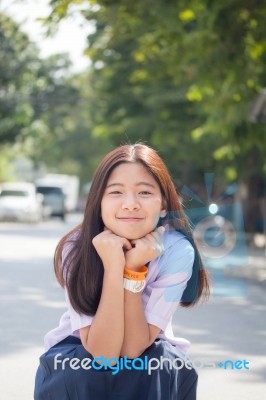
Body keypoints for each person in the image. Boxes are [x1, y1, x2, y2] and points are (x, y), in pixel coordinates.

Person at [34, 143, 210, 400]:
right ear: (99, 202)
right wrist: (113, 267)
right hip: (82, 354)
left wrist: (133, 269)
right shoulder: (76, 246)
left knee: (161, 364)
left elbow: (132, 349)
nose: (130, 204)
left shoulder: (176, 250)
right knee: (81, 369)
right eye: (116, 192)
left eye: (144, 192)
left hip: (147, 354)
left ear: (163, 205)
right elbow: (103, 354)